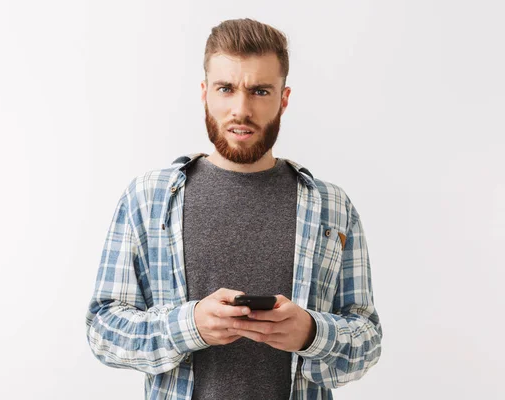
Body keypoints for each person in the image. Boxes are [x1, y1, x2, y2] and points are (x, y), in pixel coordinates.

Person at [85, 17, 383, 400]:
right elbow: (103, 331)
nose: (241, 109)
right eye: (226, 88)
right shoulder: (147, 197)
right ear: (205, 92)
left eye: (260, 91)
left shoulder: (332, 206)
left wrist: (311, 333)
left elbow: (369, 339)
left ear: (284, 99)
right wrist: (189, 325)